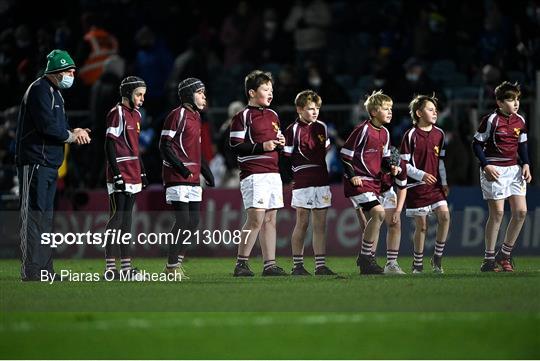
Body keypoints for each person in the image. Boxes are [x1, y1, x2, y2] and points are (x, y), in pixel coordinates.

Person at [15, 49, 91, 281]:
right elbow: (47, 126)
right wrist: (71, 135)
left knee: (45, 219)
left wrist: (74, 131)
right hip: (35, 161)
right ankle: (31, 270)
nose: (72, 75)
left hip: (48, 164)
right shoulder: (39, 90)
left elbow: (59, 126)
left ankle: (45, 270)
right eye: (69, 71)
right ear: (57, 71)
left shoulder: (55, 93)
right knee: (33, 218)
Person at [229, 70, 287, 277]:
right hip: (254, 174)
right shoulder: (242, 116)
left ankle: (269, 265)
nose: (270, 93)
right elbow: (235, 145)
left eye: (271, 89)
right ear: (252, 92)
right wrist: (263, 146)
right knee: (256, 219)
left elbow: (275, 144)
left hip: (273, 173)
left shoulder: (273, 115)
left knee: (271, 219)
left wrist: (280, 144)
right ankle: (241, 264)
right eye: (265, 89)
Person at [472, 81, 531, 272]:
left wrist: (526, 164)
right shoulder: (490, 120)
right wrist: (486, 164)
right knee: (497, 214)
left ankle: (504, 254)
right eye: (510, 99)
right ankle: (488, 259)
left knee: (521, 212)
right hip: (494, 169)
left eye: (517, 99)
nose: (515, 103)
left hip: (514, 170)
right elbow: (476, 144)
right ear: (499, 102)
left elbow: (522, 146)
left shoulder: (520, 121)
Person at [160, 78, 215, 279]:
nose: (204, 96)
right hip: (177, 175)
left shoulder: (197, 117)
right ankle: (172, 266)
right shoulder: (177, 115)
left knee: (194, 221)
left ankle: (175, 264)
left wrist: (206, 172)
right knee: (183, 220)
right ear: (188, 94)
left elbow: (196, 149)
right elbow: (164, 145)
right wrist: (181, 169)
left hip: (192, 176)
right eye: (200, 92)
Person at [340, 90, 399, 275]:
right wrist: (352, 176)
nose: (390, 112)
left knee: (377, 217)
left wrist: (392, 168)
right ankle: (366, 257)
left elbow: (385, 159)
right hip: (358, 181)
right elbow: (345, 155)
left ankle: (365, 259)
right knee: (379, 213)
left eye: (391, 108)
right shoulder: (363, 129)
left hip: (373, 182)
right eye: (385, 108)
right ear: (373, 112)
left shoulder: (386, 133)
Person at [283, 89, 336, 276]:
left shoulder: (322, 127)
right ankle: (297, 265)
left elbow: (326, 150)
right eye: (310, 108)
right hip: (303, 180)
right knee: (302, 223)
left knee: (321, 225)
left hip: (321, 179)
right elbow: (286, 157)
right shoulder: (293, 130)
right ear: (299, 109)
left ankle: (320, 266)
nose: (315, 112)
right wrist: (290, 179)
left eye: (317, 109)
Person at [103, 76, 148, 280]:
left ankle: (126, 268)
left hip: (133, 171)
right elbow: (109, 144)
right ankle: (110, 268)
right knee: (117, 218)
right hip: (120, 172)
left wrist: (143, 171)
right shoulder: (117, 113)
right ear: (128, 94)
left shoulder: (136, 115)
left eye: (143, 95)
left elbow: (136, 147)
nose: (141, 99)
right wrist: (116, 174)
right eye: (139, 94)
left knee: (127, 221)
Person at [400, 94, 450, 274]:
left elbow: (440, 161)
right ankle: (417, 263)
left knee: (445, 217)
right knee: (421, 226)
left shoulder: (440, 133)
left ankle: (437, 258)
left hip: (435, 186)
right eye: (430, 109)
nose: (435, 112)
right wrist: (421, 175)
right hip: (416, 186)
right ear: (419, 113)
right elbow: (403, 164)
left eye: (435, 109)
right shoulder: (410, 135)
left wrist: (443, 181)